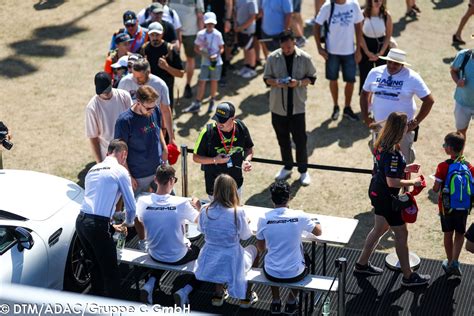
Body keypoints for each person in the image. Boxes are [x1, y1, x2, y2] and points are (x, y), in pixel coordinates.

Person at [355, 112, 430, 287]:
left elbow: (385, 168)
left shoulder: (382, 144)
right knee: (401, 234)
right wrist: (415, 181)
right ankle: (408, 276)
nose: (408, 127)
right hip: (387, 197)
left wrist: (407, 167)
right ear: (399, 129)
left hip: (377, 192)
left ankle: (361, 264)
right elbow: (392, 181)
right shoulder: (394, 153)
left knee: (379, 228)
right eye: (405, 125)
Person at [75, 139, 136, 298]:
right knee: (111, 273)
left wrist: (110, 226)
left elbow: (95, 204)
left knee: (95, 266)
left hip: (81, 222)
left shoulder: (93, 169)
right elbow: (131, 206)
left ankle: (97, 304)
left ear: (108, 152)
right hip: (96, 225)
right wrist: (127, 223)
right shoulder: (120, 170)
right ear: (123, 154)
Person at [136, 165, 201, 306]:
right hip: (177, 257)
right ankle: (184, 291)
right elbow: (202, 222)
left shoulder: (142, 201)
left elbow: (138, 220)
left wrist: (143, 239)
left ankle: (149, 284)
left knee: (164, 250)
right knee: (202, 255)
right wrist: (198, 206)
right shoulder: (181, 203)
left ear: (155, 179)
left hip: (154, 253)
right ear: (171, 180)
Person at [256, 181, 322, 315]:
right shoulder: (300, 215)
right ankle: (291, 301)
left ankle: (275, 301)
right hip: (295, 274)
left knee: (270, 262)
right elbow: (318, 232)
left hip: (271, 274)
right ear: (289, 197)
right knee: (306, 258)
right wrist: (316, 221)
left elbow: (261, 248)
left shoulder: (263, 218)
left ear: (271, 198)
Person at [194, 174, 259, 308]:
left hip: (210, 258)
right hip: (232, 259)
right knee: (254, 249)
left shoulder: (205, 210)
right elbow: (246, 236)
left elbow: (201, 229)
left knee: (219, 259)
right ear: (233, 190)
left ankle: (218, 294)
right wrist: (245, 222)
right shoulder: (237, 212)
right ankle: (246, 296)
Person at [360, 48, 435, 164]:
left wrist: (415, 122)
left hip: (402, 130)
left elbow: (429, 100)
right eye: (389, 62)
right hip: (380, 128)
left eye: (396, 63)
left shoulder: (412, 77)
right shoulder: (375, 72)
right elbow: (364, 93)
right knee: (379, 162)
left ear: (402, 64)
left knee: (403, 164)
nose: (392, 65)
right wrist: (366, 117)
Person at [263, 31, 317, 186]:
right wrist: (277, 82)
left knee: (300, 140)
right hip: (277, 107)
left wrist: (298, 83)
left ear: (294, 42)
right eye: (284, 47)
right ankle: (287, 166)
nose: (287, 49)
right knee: (282, 139)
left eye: (289, 46)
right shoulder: (273, 57)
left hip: (297, 108)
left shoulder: (305, 58)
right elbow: (267, 79)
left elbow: (312, 78)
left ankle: (303, 170)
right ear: (280, 45)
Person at [314, 0, 364, 121]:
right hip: (331, 53)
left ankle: (347, 108)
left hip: (350, 52)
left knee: (350, 81)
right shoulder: (327, 6)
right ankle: (335, 106)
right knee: (333, 79)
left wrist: (358, 49)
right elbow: (316, 26)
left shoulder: (354, 5)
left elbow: (358, 26)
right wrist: (319, 48)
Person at [432, 132, 473, 276]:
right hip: (463, 207)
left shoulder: (443, 166)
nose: (444, 147)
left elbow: (436, 188)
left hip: (446, 208)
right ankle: (456, 261)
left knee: (448, 234)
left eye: (444, 145)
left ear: (449, 148)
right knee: (460, 233)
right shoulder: (469, 167)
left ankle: (449, 262)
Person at [193, 102, 254, 199]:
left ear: (233, 118)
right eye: (217, 119)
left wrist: (247, 160)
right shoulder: (207, 132)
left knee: (235, 212)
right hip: (215, 186)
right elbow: (196, 158)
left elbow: (248, 148)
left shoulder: (241, 127)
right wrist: (215, 160)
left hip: (235, 183)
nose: (219, 123)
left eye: (223, 120)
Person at [114, 85, 168, 194]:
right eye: (148, 108)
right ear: (138, 102)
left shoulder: (155, 109)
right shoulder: (124, 121)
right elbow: (120, 152)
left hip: (159, 168)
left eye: (154, 106)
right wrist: (128, 175)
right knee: (139, 208)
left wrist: (164, 148)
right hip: (138, 175)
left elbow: (158, 128)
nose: (152, 111)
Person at [118, 58, 176, 145]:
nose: (136, 80)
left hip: (151, 127)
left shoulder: (160, 85)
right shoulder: (125, 82)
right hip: (131, 129)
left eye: (140, 77)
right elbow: (119, 106)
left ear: (148, 72)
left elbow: (166, 110)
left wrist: (171, 136)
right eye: (134, 75)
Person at [85, 72, 132, 163]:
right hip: (109, 156)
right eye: (102, 91)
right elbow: (93, 138)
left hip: (130, 150)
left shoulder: (124, 96)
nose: (105, 94)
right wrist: (99, 163)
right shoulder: (92, 108)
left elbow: (133, 120)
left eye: (107, 90)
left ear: (112, 82)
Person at [182, 12, 224, 114]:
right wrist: (204, 54)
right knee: (202, 81)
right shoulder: (201, 34)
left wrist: (216, 55)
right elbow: (196, 48)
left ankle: (212, 101)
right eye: (208, 23)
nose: (210, 26)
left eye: (212, 24)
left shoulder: (218, 34)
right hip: (205, 62)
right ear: (205, 23)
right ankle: (197, 103)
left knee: (214, 81)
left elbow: (221, 48)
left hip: (216, 62)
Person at [141, 22, 184, 111]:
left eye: (157, 35)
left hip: (165, 91)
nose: (155, 38)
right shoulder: (144, 49)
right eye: (152, 35)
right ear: (148, 35)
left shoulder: (170, 50)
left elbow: (181, 74)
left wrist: (166, 67)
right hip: (149, 92)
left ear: (162, 34)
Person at [169, 0, 205, 99]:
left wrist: (202, 36)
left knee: (190, 59)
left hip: (191, 34)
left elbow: (200, 16)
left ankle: (188, 85)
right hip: (174, 33)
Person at [358, 0, 393, 94]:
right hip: (365, 46)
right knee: (365, 78)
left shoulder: (386, 15)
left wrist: (381, 52)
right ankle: (366, 105)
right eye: (376, 0)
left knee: (382, 79)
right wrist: (367, 52)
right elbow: (359, 35)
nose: (378, 2)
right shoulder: (363, 14)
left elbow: (388, 35)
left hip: (382, 47)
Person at [450, 48, 474, 139]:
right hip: (462, 103)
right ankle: (460, 154)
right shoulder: (463, 55)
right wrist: (457, 81)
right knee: (460, 134)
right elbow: (453, 71)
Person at [233, 0, 258, 78]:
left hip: (248, 30)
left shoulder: (252, 1)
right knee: (245, 48)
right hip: (240, 29)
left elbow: (253, 17)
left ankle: (252, 68)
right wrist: (236, 24)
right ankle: (247, 66)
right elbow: (235, 13)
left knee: (250, 48)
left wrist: (242, 27)